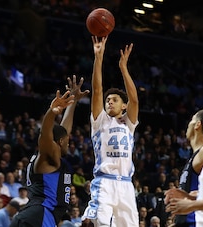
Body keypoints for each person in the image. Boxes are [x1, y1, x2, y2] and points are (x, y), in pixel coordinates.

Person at [10, 75, 89, 227]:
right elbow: (45, 136)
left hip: (36, 217)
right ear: (59, 142)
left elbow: (63, 131)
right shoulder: (48, 156)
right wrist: (51, 112)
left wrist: (73, 102)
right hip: (38, 218)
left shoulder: (52, 155)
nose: (69, 142)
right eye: (67, 141)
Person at [81, 36, 139, 226]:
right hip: (105, 182)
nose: (110, 101)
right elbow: (97, 90)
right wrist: (99, 57)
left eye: (114, 99)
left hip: (126, 185)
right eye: (108, 100)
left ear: (124, 106)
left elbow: (135, 100)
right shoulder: (100, 121)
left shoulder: (127, 124)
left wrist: (124, 68)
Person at [164, 109, 203, 226]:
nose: (189, 124)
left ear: (198, 124)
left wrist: (193, 197)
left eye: (192, 120)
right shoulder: (197, 155)